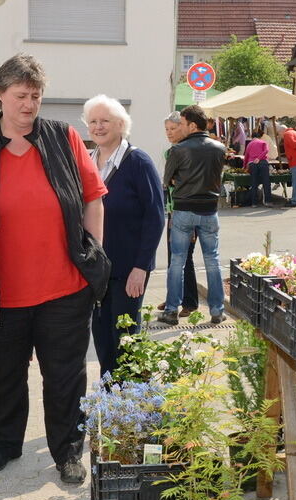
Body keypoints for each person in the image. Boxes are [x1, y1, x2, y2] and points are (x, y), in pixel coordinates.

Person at [0, 54, 108, 486]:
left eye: (36, 96)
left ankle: (67, 450)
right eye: (21, 95)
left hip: (64, 287)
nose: (29, 104)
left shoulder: (64, 138)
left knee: (64, 375)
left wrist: (92, 251)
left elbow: (92, 198)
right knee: (4, 374)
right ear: (0, 94)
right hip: (2, 292)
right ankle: (4, 444)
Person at [85, 95, 164, 379]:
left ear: (121, 124)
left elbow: (155, 217)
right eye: (93, 121)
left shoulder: (138, 162)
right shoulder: (86, 161)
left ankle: (132, 400)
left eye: (105, 121)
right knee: (102, 338)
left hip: (128, 271)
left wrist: (141, 267)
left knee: (126, 339)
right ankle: (111, 399)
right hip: (97, 272)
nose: (98, 126)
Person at [158, 105, 227, 326]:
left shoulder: (179, 150)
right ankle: (217, 311)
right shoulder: (219, 148)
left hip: (184, 209)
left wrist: (180, 181)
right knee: (212, 260)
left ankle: (171, 311)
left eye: (184, 124)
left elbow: (167, 179)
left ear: (193, 125)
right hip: (209, 210)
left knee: (177, 260)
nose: (181, 127)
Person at [161, 112, 199, 314]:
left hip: (188, 210)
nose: (169, 133)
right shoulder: (172, 151)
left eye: (173, 129)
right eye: (166, 129)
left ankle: (190, 302)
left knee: (185, 258)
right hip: (173, 210)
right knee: (173, 257)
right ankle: (172, 298)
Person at [244, 127, 272, 206]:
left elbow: (246, 157)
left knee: (254, 183)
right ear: (259, 137)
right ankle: (268, 201)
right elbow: (266, 150)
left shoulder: (249, 144)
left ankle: (254, 203)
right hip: (263, 163)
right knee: (266, 182)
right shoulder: (263, 142)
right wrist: (259, 158)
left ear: (252, 137)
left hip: (252, 164)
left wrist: (244, 167)